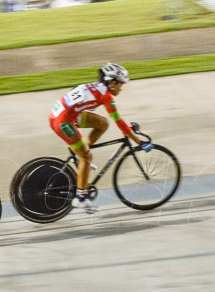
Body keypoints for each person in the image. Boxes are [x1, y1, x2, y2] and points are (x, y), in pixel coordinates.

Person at [48, 63, 149, 213]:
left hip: (64, 114)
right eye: (121, 84)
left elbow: (72, 93)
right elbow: (120, 123)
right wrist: (139, 142)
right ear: (113, 83)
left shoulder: (95, 86)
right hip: (63, 121)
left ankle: (81, 154)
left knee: (102, 124)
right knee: (87, 157)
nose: (121, 88)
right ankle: (81, 198)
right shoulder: (106, 96)